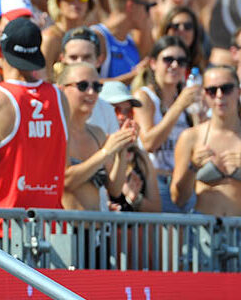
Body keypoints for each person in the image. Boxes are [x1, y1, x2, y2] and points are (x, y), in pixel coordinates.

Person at [0, 18, 69, 209]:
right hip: (52, 221)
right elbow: (63, 163)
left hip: (7, 220)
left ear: (0, 52)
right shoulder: (60, 98)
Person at [133, 36, 201, 213]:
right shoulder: (145, 97)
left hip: (185, 183)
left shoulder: (188, 100)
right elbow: (149, 143)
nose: (175, 65)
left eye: (181, 61)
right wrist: (178, 106)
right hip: (156, 181)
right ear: (153, 63)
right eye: (168, 59)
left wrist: (199, 114)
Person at [58, 63, 133, 211]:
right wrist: (105, 152)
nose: (91, 92)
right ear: (62, 90)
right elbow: (65, 181)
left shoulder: (97, 134)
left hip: (95, 224)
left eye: (97, 87)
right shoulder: (56, 131)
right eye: (82, 86)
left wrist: (121, 148)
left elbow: (115, 189)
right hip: (64, 224)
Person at [172, 65, 241, 217]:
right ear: (204, 94)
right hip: (203, 227)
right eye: (212, 90)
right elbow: (178, 199)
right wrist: (192, 168)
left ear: (239, 91)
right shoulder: (191, 137)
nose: (219, 95)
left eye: (226, 89)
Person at [101, 81, 161, 212]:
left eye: (128, 111)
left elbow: (156, 209)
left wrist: (135, 199)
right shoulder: (91, 148)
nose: (122, 117)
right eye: (115, 110)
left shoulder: (140, 157)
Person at [92, 0, 154, 83]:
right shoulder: (97, 36)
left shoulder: (131, 42)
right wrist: (132, 76)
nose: (149, 14)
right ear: (131, 6)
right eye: (147, 7)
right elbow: (86, 83)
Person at [41, 0, 94, 78]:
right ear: (58, 2)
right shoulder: (50, 38)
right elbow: (42, 79)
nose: (76, 2)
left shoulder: (91, 37)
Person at [158, 6, 207, 73]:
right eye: (176, 26)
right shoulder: (153, 63)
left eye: (188, 26)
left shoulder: (202, 67)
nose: (182, 30)